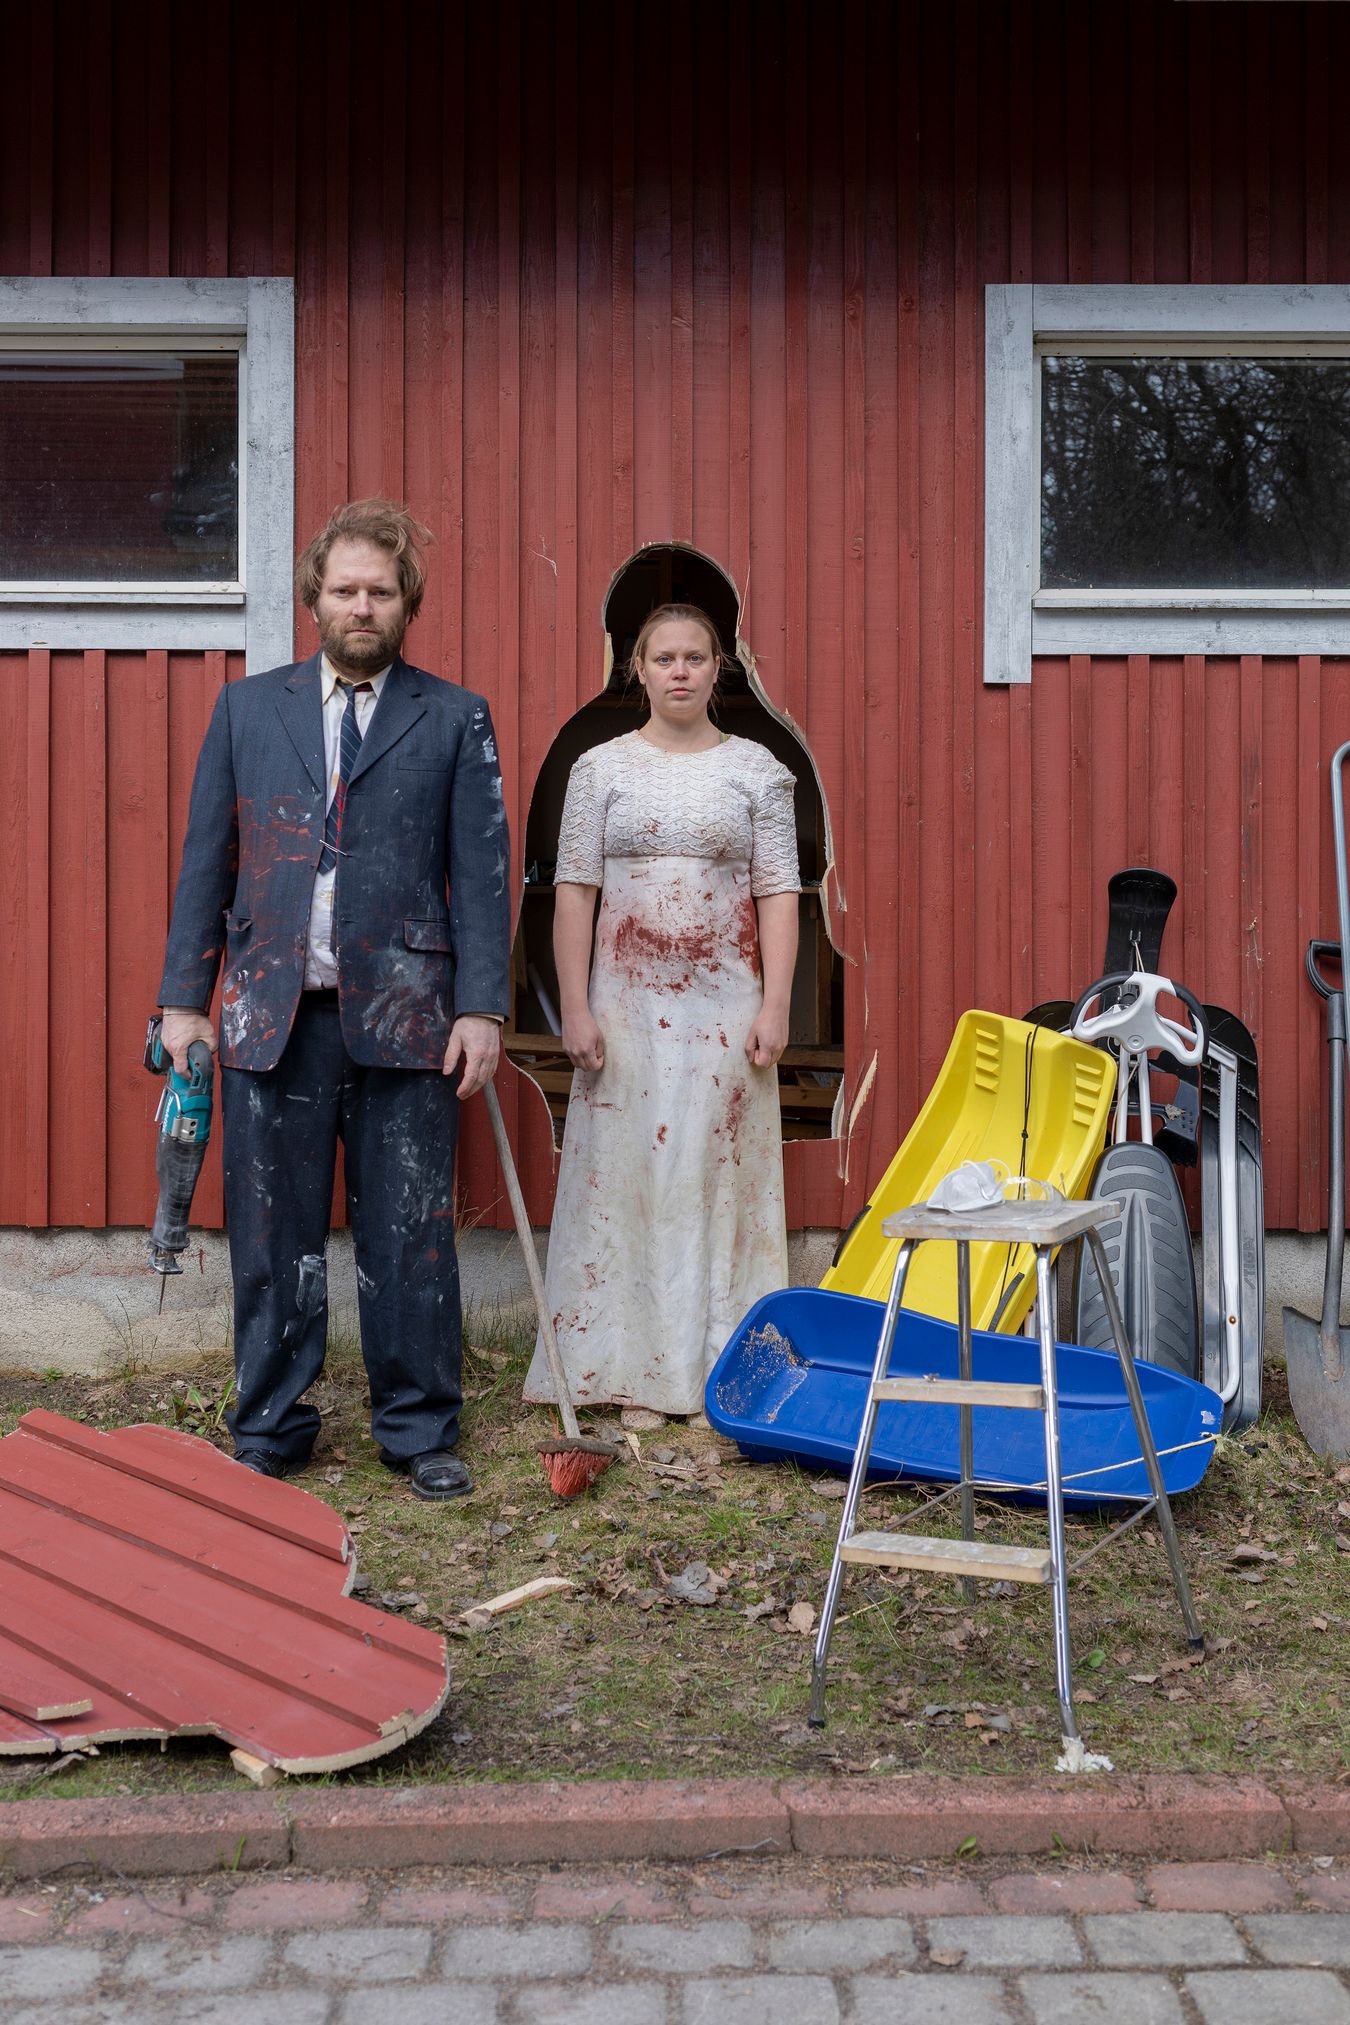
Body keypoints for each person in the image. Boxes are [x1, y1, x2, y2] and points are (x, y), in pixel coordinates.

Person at [157, 499, 511, 1499]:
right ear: (314, 598)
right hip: (270, 1013)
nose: (363, 606)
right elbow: (206, 860)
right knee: (272, 1236)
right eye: (346, 589)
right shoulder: (246, 710)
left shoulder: (454, 716)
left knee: (409, 1231)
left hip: (409, 1015)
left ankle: (420, 1428)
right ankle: (270, 1425)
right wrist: (184, 999)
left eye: (381, 591)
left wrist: (482, 1007)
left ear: (407, 604)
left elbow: (483, 874)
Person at [523, 603, 801, 1428]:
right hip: (628, 1011)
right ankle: (625, 1368)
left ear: (720, 669)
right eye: (664, 657)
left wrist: (776, 1003)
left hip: (724, 1012)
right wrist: (576, 1005)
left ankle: (719, 1370)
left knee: (714, 1178)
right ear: (636, 670)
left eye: (696, 657)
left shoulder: (758, 770)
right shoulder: (599, 769)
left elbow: (779, 893)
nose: (680, 670)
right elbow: (574, 893)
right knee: (628, 1175)